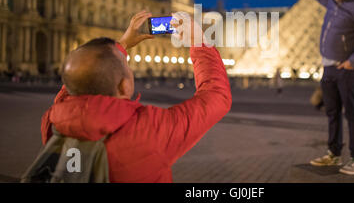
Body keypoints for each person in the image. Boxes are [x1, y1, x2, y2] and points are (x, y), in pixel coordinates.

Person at [40, 11, 232, 182]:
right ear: (124, 86)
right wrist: (198, 41)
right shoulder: (149, 129)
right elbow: (216, 95)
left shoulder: (53, 119)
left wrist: (119, 47)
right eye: (127, 70)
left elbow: (75, 84)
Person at [277, 0, 354, 175]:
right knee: (332, 113)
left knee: (352, 114)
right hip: (329, 68)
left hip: (347, 69)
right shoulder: (332, 1)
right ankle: (333, 154)